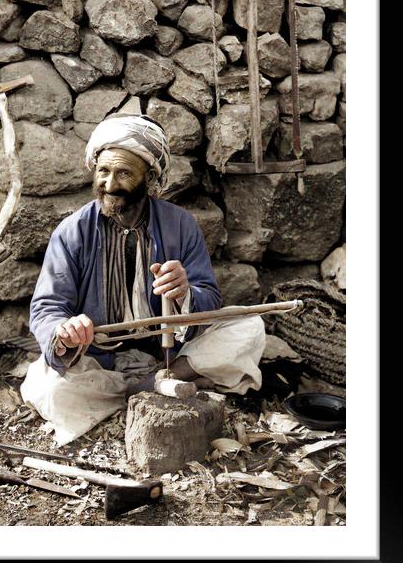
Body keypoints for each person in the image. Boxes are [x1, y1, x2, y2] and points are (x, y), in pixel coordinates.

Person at [20, 116, 266, 445]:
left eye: (123, 173)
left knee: (248, 327)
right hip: (99, 358)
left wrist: (184, 293)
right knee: (46, 388)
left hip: (168, 351)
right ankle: (151, 387)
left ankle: (152, 381)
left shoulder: (180, 225)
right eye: (103, 171)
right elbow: (47, 306)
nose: (109, 184)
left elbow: (209, 298)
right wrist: (63, 331)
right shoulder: (72, 232)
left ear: (150, 178)